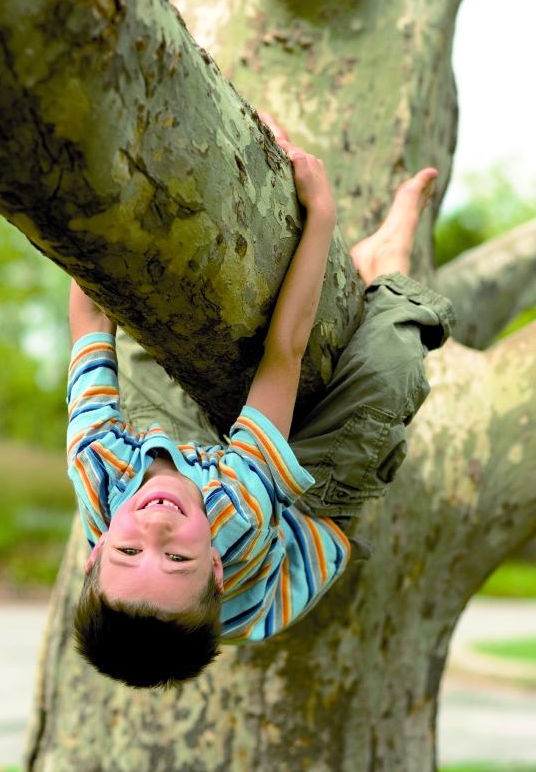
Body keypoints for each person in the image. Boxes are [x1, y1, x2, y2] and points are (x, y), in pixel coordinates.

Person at [68, 116, 455, 689]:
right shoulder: (240, 515)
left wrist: (106, 176)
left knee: (151, 332)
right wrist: (319, 214)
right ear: (215, 566)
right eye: (177, 560)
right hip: (301, 520)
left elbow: (91, 319)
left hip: (181, 458)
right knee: (386, 374)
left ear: (97, 547)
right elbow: (284, 353)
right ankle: (384, 263)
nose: (157, 528)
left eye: (128, 550)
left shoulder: (98, 463)